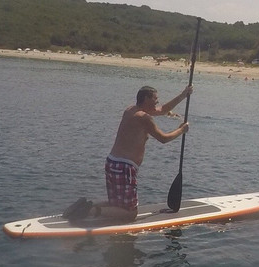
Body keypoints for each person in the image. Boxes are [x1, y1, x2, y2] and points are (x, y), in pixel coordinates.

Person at [66, 84, 193, 223]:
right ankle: (90, 211)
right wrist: (181, 130)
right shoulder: (143, 117)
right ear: (146, 99)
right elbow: (163, 138)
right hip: (124, 167)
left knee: (117, 205)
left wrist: (183, 95)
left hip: (112, 162)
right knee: (130, 214)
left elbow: (163, 109)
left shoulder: (130, 110)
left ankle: (85, 206)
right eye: (155, 99)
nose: (157, 102)